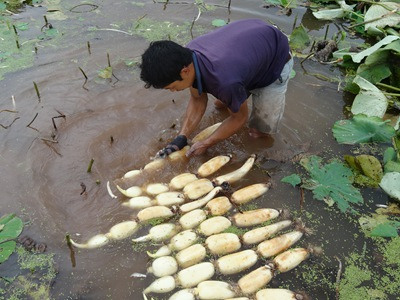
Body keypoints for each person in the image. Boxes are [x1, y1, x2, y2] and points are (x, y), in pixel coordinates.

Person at [139, 18, 293, 158]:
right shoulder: (188, 57)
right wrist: (181, 137)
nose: (173, 91)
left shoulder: (226, 81)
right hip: (249, 45)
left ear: (185, 71)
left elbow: (240, 118)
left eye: (171, 87)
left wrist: (207, 143)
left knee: (257, 132)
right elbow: (197, 99)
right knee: (220, 105)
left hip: (274, 58)